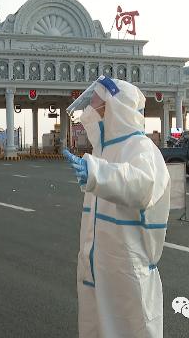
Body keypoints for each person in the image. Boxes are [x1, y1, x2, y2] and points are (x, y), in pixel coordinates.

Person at [63, 76, 170, 338]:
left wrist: (96, 173)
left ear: (117, 107)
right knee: (95, 328)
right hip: (97, 268)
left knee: (129, 329)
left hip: (127, 271)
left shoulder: (140, 147)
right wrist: (95, 169)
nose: (90, 110)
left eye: (97, 104)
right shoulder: (102, 151)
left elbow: (142, 186)